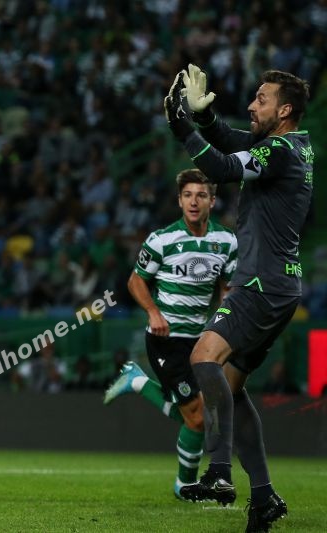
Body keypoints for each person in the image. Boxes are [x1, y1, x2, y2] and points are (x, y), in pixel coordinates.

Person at [165, 64, 312, 531]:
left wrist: (182, 127)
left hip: (260, 284)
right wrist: (204, 119)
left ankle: (220, 472)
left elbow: (223, 168)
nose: (251, 105)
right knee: (229, 387)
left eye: (261, 99)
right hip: (278, 285)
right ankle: (263, 496)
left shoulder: (282, 151)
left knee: (203, 357)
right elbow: (232, 142)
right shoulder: (289, 147)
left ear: (284, 111)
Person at [103, 169, 237, 501]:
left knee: (202, 416)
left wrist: (225, 321)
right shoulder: (161, 240)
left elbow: (227, 289)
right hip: (166, 340)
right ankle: (184, 485)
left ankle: (136, 381)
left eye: (201, 195)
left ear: (212, 201)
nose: (194, 201)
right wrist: (152, 311)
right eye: (188, 195)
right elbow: (135, 281)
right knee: (197, 416)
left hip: (202, 342)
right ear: (179, 200)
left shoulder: (227, 242)